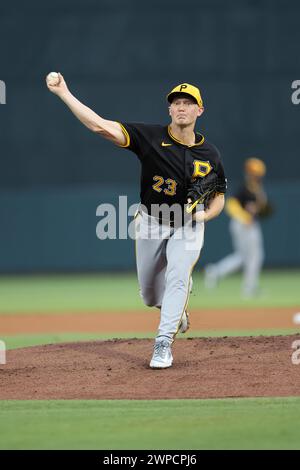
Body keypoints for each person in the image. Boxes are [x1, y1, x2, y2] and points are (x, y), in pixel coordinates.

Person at [46, 77, 227, 368]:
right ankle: (176, 310)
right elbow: (99, 125)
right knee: (149, 294)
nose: (181, 107)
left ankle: (163, 344)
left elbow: (218, 197)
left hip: (188, 226)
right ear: (169, 110)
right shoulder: (150, 138)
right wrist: (64, 93)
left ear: (200, 111)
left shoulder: (210, 154)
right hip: (151, 222)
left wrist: (205, 215)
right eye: (176, 103)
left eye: (188, 103)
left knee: (178, 275)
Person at [204, 158, 270, 297]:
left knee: (243, 257)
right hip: (243, 224)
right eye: (256, 173)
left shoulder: (256, 188)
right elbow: (231, 205)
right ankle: (249, 288)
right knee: (254, 256)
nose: (258, 176)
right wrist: (244, 217)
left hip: (249, 224)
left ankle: (215, 272)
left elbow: (262, 207)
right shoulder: (244, 188)